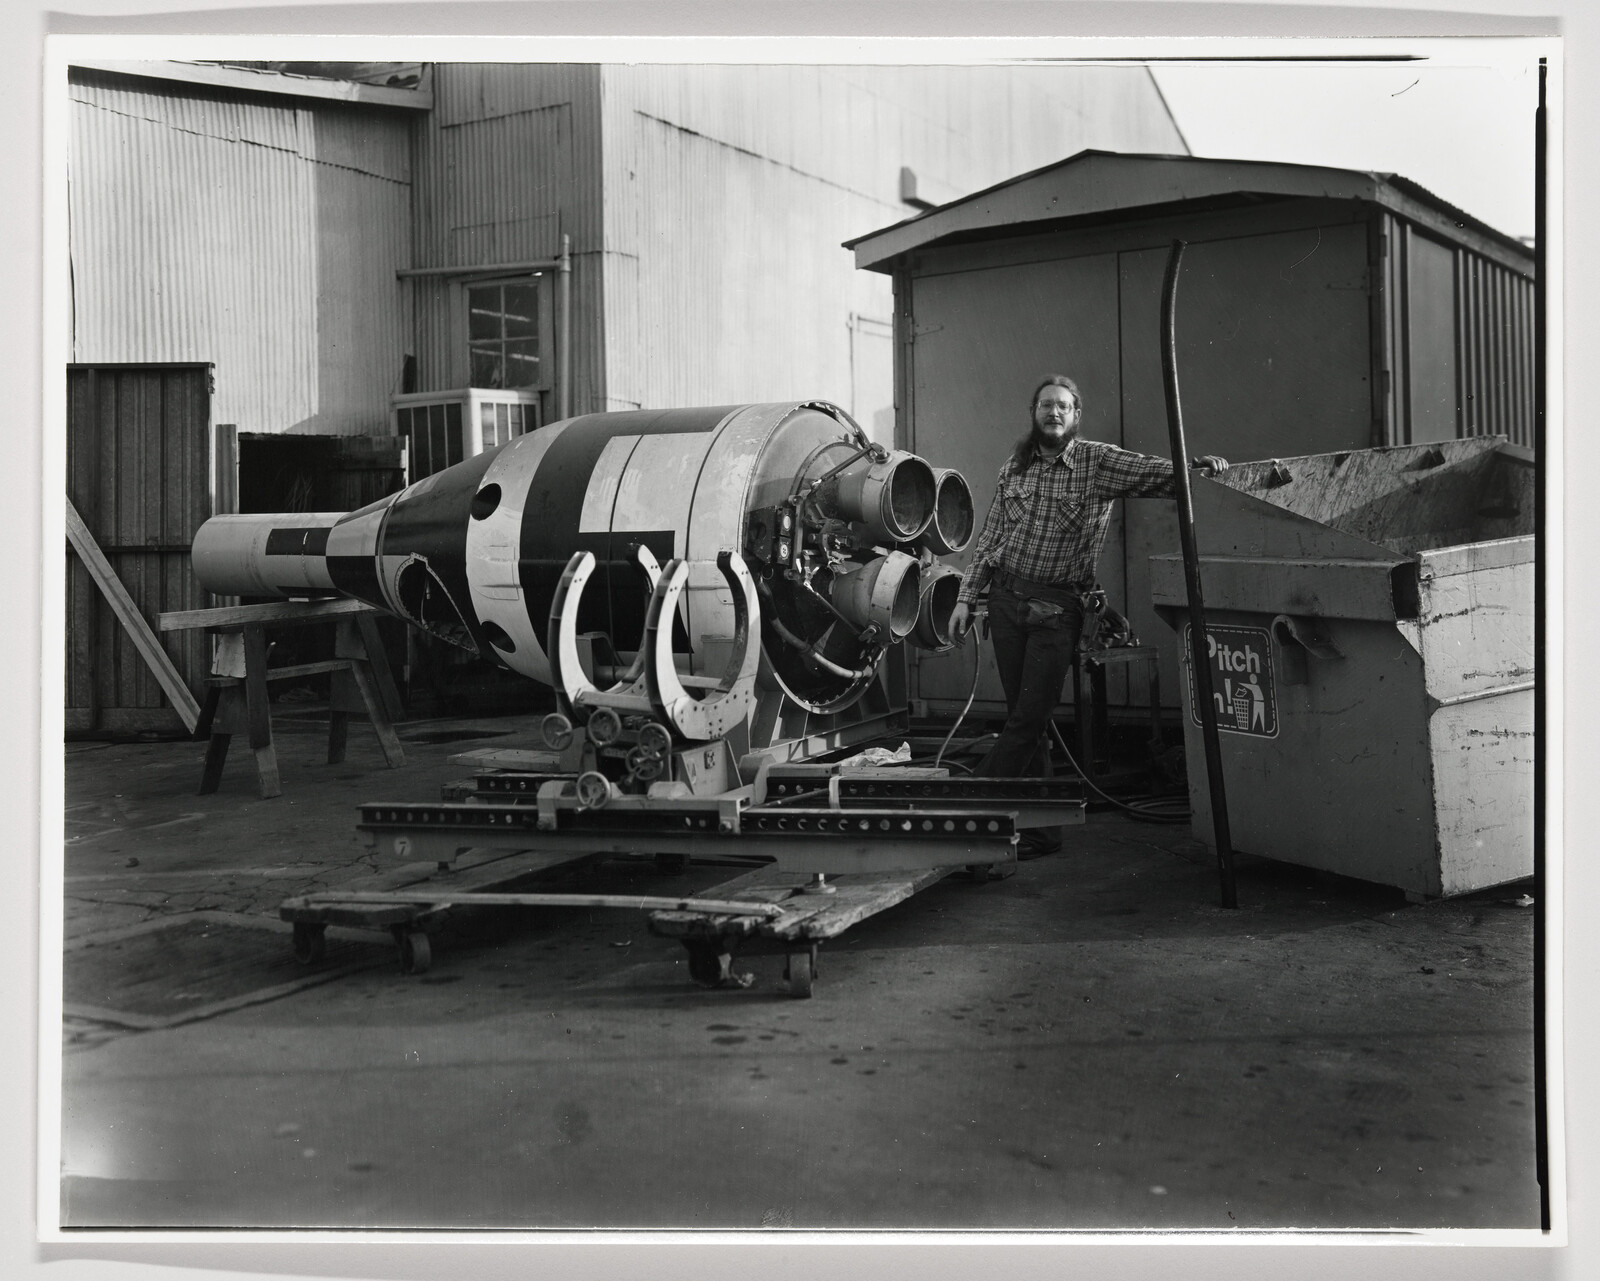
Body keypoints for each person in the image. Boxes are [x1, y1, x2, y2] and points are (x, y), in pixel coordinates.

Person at [949, 374, 1228, 855]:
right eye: (1044, 406)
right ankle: (1041, 830)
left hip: (1057, 609)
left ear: (1076, 415)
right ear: (1033, 413)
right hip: (1005, 600)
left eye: (1062, 406)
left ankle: (958, 805)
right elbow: (992, 538)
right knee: (1024, 717)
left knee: (1028, 717)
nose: (1052, 413)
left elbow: (1158, 474)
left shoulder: (1097, 463)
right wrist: (964, 599)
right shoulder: (1014, 467)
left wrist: (1199, 468)